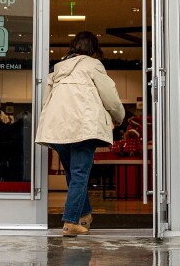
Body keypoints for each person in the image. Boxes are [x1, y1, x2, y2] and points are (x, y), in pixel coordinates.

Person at [36, 31, 125, 236]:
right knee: (79, 174)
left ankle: (84, 215)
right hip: (83, 128)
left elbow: (45, 101)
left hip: (57, 129)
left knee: (73, 174)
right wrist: (119, 117)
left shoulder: (57, 69)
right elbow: (110, 97)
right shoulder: (93, 65)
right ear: (94, 49)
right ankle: (70, 222)